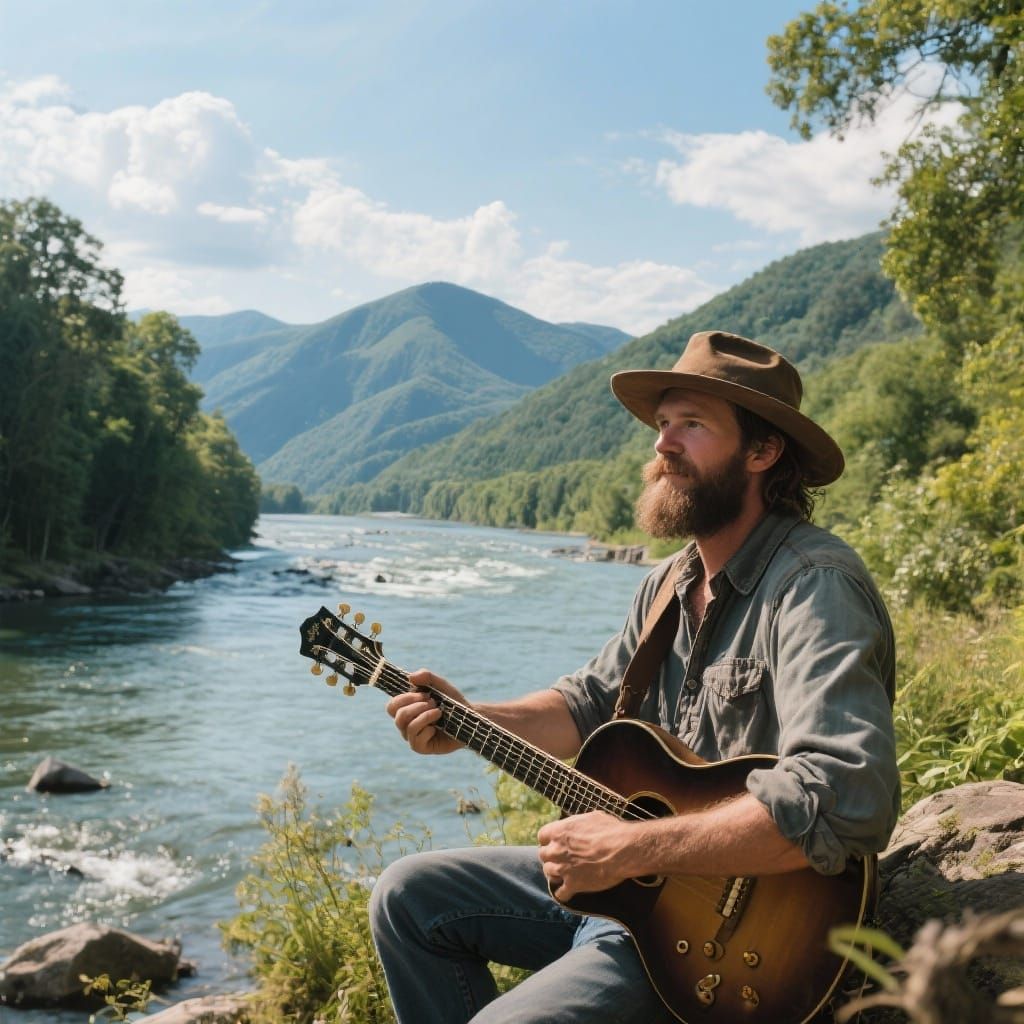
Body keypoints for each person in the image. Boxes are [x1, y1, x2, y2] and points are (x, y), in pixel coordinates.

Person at [369, 330, 900, 1024]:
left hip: (731, 940)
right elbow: (590, 704)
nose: (662, 446)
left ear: (762, 452)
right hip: (629, 892)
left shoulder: (812, 587)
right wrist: (471, 722)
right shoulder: (669, 582)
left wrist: (630, 847)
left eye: (692, 426)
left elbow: (842, 792)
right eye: (661, 425)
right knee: (407, 896)